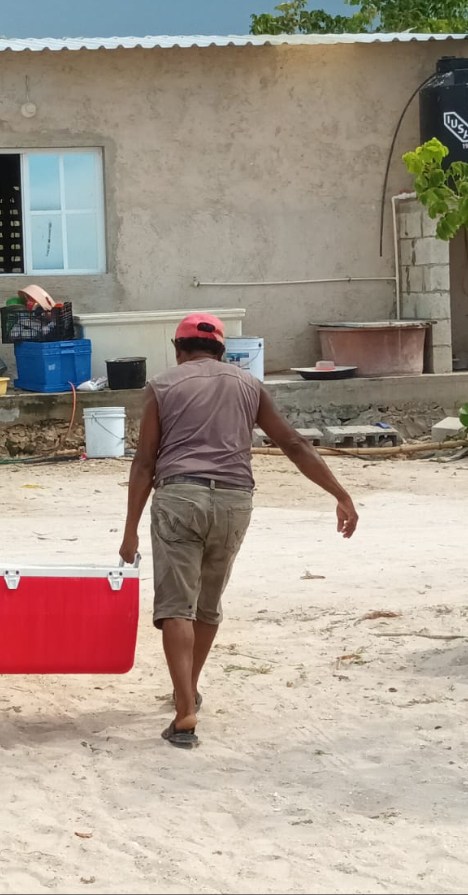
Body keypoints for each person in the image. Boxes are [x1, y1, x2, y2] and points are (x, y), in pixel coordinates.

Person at [119, 313, 358, 749]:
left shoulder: (163, 385)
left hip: (179, 498)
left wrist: (130, 530)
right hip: (234, 501)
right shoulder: (249, 385)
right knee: (207, 605)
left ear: (177, 348)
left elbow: (145, 462)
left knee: (177, 606)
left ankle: (185, 710)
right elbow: (294, 444)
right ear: (223, 351)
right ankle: (186, 690)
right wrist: (340, 495)